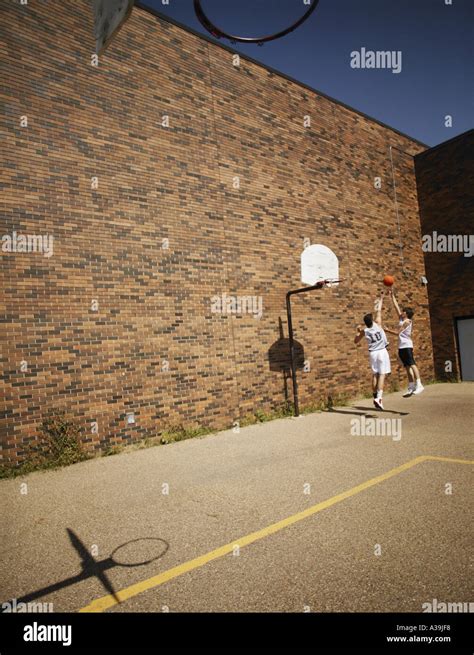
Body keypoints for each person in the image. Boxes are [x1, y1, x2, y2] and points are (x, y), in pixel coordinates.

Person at [354, 292, 391, 410]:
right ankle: (379, 398)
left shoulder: (365, 331)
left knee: (375, 374)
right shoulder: (378, 324)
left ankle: (374, 395)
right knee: (382, 374)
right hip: (381, 351)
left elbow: (356, 341)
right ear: (372, 320)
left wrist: (358, 332)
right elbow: (378, 310)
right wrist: (381, 298)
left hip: (373, 353)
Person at [385, 289, 424, 396]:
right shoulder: (402, 319)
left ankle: (419, 384)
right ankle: (411, 385)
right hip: (401, 346)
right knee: (407, 366)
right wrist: (392, 296)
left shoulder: (408, 321)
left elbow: (398, 333)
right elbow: (396, 306)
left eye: (403, 311)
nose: (401, 312)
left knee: (412, 364)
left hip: (407, 346)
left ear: (406, 314)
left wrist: (387, 330)